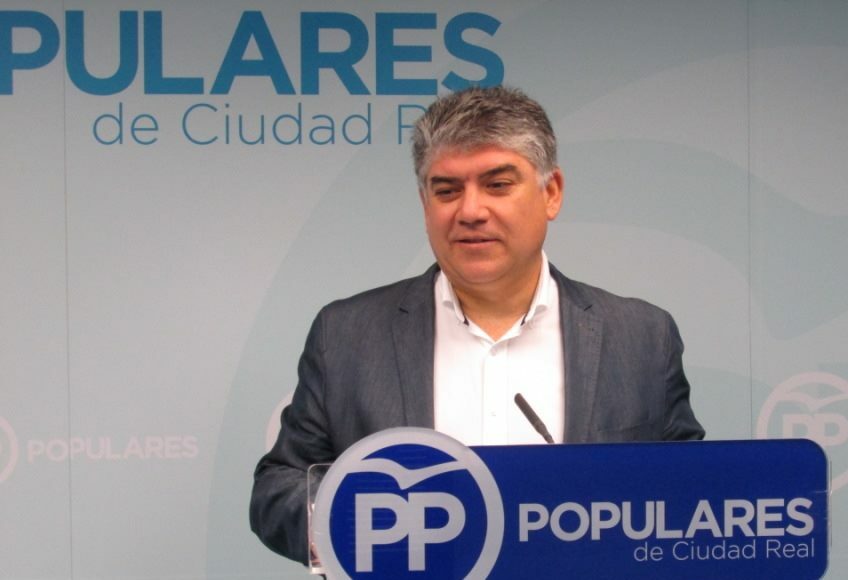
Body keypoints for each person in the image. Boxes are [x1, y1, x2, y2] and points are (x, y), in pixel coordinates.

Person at [249, 86, 704, 564]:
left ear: (551, 193)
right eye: (447, 191)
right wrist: (367, 525)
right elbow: (278, 489)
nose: (470, 211)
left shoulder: (641, 337)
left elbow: (694, 494)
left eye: (497, 185)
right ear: (425, 203)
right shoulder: (346, 335)